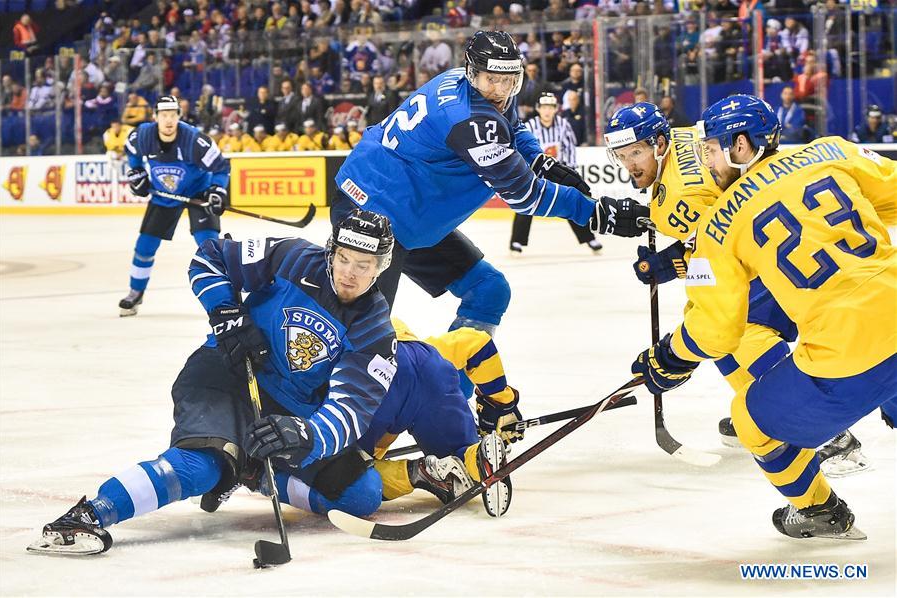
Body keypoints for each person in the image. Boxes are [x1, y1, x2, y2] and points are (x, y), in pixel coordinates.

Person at [28, 211, 399, 555]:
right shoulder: (292, 256)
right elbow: (209, 257)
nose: (349, 273)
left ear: (380, 268)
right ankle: (91, 514)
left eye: (363, 265)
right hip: (225, 373)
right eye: (343, 259)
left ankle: (253, 473)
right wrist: (225, 312)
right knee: (200, 468)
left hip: (287, 408)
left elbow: (352, 409)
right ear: (331, 251)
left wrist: (307, 433)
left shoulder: (376, 331)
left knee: (360, 495)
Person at [631, 95, 896, 540]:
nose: (705, 159)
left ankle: (820, 509)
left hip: (844, 352)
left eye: (712, 149)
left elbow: (716, 327)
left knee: (751, 415)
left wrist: (668, 358)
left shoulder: (719, 217)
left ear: (740, 146)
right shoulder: (832, 149)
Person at [604, 100, 868, 476]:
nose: (630, 164)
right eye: (622, 155)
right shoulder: (683, 139)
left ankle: (828, 434)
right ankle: (759, 404)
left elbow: (718, 249)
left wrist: (671, 263)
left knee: (736, 330)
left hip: (772, 255)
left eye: (636, 153)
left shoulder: (679, 199)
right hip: (785, 234)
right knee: (720, 340)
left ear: (659, 144)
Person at [333, 30, 647, 337]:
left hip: (404, 209)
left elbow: (513, 125)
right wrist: (596, 214)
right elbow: (526, 196)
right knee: (361, 336)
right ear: (474, 72)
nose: (499, 89)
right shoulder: (471, 120)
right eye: (492, 80)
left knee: (489, 291)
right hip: (369, 209)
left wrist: (538, 159)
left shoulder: (473, 83)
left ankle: (451, 386)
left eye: (509, 80)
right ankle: (320, 389)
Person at [360, 319, 520, 517]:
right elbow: (477, 343)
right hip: (430, 372)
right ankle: (477, 457)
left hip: (366, 385)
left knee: (347, 472)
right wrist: (500, 403)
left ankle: (422, 473)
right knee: (461, 456)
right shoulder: (425, 349)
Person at [118, 96, 230, 317]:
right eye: (163, 115)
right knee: (145, 246)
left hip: (198, 193)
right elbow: (131, 152)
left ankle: (227, 298)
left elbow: (221, 167)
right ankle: (135, 292)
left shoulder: (195, 141)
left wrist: (217, 190)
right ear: (155, 117)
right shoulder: (142, 136)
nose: (168, 120)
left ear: (179, 116)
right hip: (164, 196)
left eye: (172, 115)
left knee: (209, 246)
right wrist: (137, 172)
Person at [509, 93, 602, 255]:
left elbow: (569, 148)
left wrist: (570, 172)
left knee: (571, 202)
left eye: (550, 107)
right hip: (533, 172)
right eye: (544, 107)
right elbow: (521, 148)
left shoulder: (563, 125)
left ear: (555, 109)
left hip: (557, 172)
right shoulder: (529, 126)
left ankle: (589, 238)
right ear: (538, 109)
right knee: (525, 204)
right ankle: (517, 240)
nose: (547, 111)